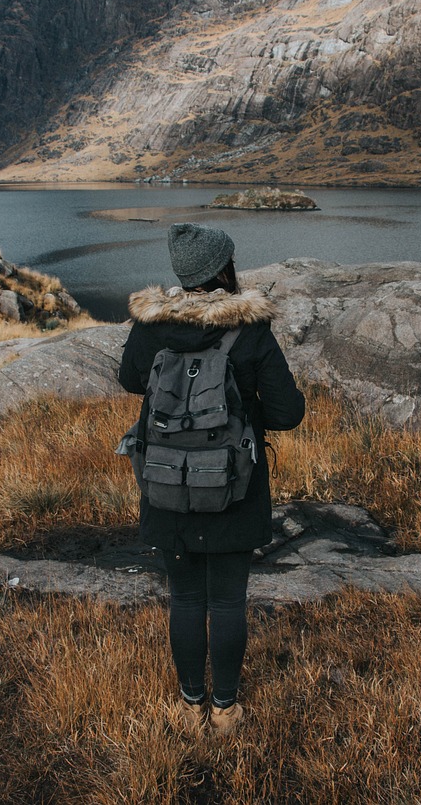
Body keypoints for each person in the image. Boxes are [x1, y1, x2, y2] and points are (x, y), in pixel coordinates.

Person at [119, 223, 305, 735]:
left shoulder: (150, 325)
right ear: (223, 270)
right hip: (234, 487)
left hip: (165, 483)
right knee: (225, 599)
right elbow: (289, 413)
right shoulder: (250, 330)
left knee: (184, 598)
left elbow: (130, 379)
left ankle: (189, 707)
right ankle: (225, 711)